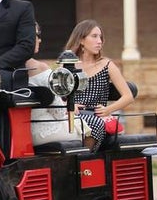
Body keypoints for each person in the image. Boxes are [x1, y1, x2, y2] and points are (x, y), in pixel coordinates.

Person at [65, 19, 134, 150]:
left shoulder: (106, 64)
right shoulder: (68, 65)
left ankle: (84, 157)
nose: (99, 41)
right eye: (94, 36)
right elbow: (58, 95)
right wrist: (69, 105)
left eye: (100, 37)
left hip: (95, 115)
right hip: (73, 113)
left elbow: (128, 96)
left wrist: (108, 109)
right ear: (81, 40)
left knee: (94, 123)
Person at [24, 23, 90, 146]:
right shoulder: (40, 68)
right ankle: (86, 157)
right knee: (86, 126)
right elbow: (58, 112)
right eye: (37, 35)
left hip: (19, 132)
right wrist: (68, 106)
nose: (40, 40)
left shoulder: (6, 68)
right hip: (42, 131)